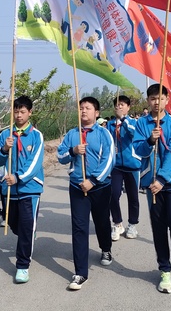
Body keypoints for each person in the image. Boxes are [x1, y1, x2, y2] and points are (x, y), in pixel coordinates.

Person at [133, 84, 171, 294]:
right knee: (158, 227)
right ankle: (164, 269)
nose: (157, 102)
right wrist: (150, 139)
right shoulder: (141, 124)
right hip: (151, 182)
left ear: (167, 100)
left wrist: (162, 179)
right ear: (148, 101)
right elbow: (138, 150)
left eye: (160, 98)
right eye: (153, 98)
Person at [57, 96, 115, 291]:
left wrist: (93, 180)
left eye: (88, 108)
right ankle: (81, 272)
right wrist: (73, 150)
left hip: (99, 186)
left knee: (101, 222)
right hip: (77, 186)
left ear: (96, 113)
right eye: (81, 108)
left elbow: (109, 160)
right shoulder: (72, 134)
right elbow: (60, 156)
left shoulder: (104, 134)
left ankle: (106, 249)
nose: (83, 111)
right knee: (79, 227)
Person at [0, 96, 45, 284]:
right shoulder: (4, 135)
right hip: (9, 190)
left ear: (30, 113)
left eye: (22, 111)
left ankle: (22, 265)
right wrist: (4, 150)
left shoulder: (36, 135)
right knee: (14, 224)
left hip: (29, 188)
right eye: (15, 111)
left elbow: (35, 163)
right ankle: (29, 234)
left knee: (25, 227)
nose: (18, 115)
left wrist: (19, 176)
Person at [107, 96, 141, 241]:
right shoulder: (110, 125)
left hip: (132, 166)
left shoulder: (134, 123)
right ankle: (117, 223)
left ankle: (132, 224)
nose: (118, 107)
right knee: (113, 195)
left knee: (133, 197)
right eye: (116, 105)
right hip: (116, 166)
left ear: (128, 107)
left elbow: (134, 134)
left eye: (121, 105)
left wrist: (124, 120)